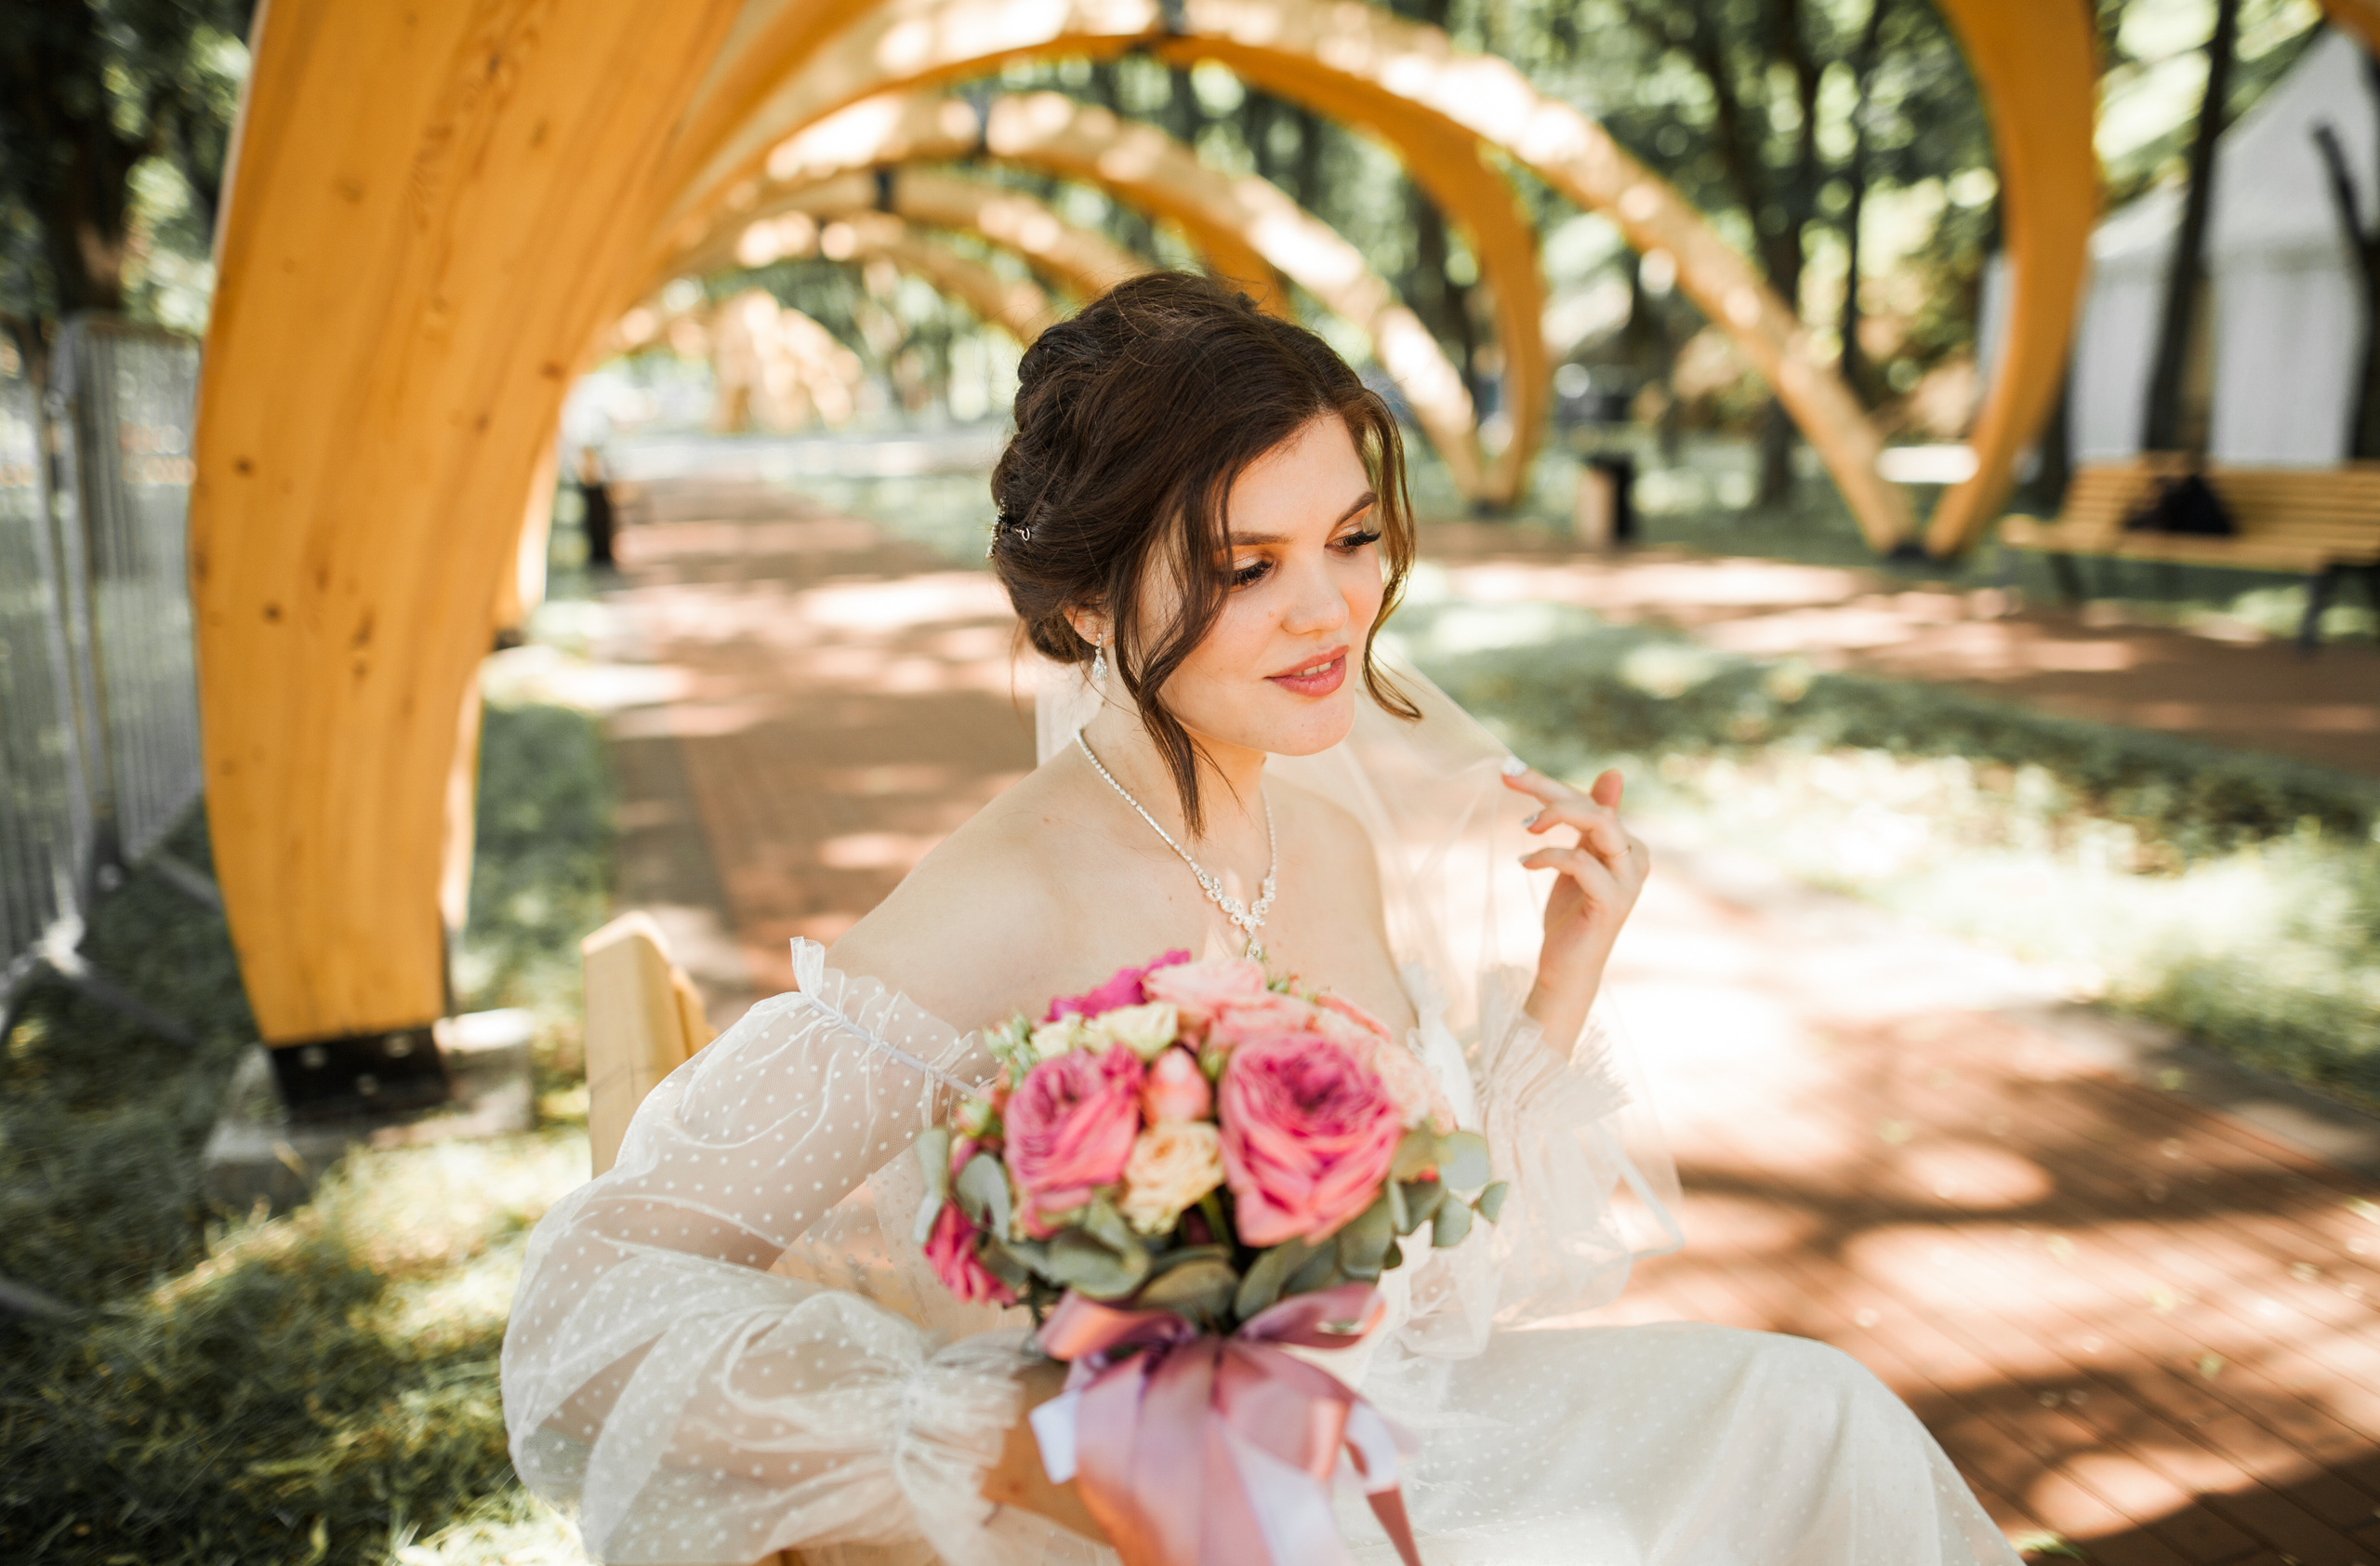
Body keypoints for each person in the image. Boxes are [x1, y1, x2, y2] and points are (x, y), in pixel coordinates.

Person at [502, 273, 2023, 1566]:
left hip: (1400, 1441)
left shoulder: (1324, 834)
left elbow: (1423, 1297)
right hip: (1214, 1527)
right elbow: (583, 1307)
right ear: (1087, 605)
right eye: (1247, 566)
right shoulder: (1005, 896)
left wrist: (1561, 984)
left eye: (1354, 541)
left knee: (1816, 1416)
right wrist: (1016, 1429)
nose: (1330, 614)